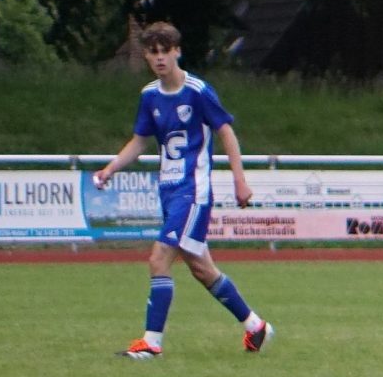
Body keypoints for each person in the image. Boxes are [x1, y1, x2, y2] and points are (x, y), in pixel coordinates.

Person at [92, 21, 275, 358]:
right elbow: (139, 141)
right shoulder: (149, 96)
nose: (160, 58)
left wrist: (239, 179)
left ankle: (151, 344)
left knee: (159, 257)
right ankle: (255, 326)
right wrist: (111, 168)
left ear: (177, 52)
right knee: (202, 269)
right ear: (147, 56)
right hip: (169, 190)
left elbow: (226, 132)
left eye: (166, 51)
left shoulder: (198, 91)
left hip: (193, 191)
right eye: (153, 52)